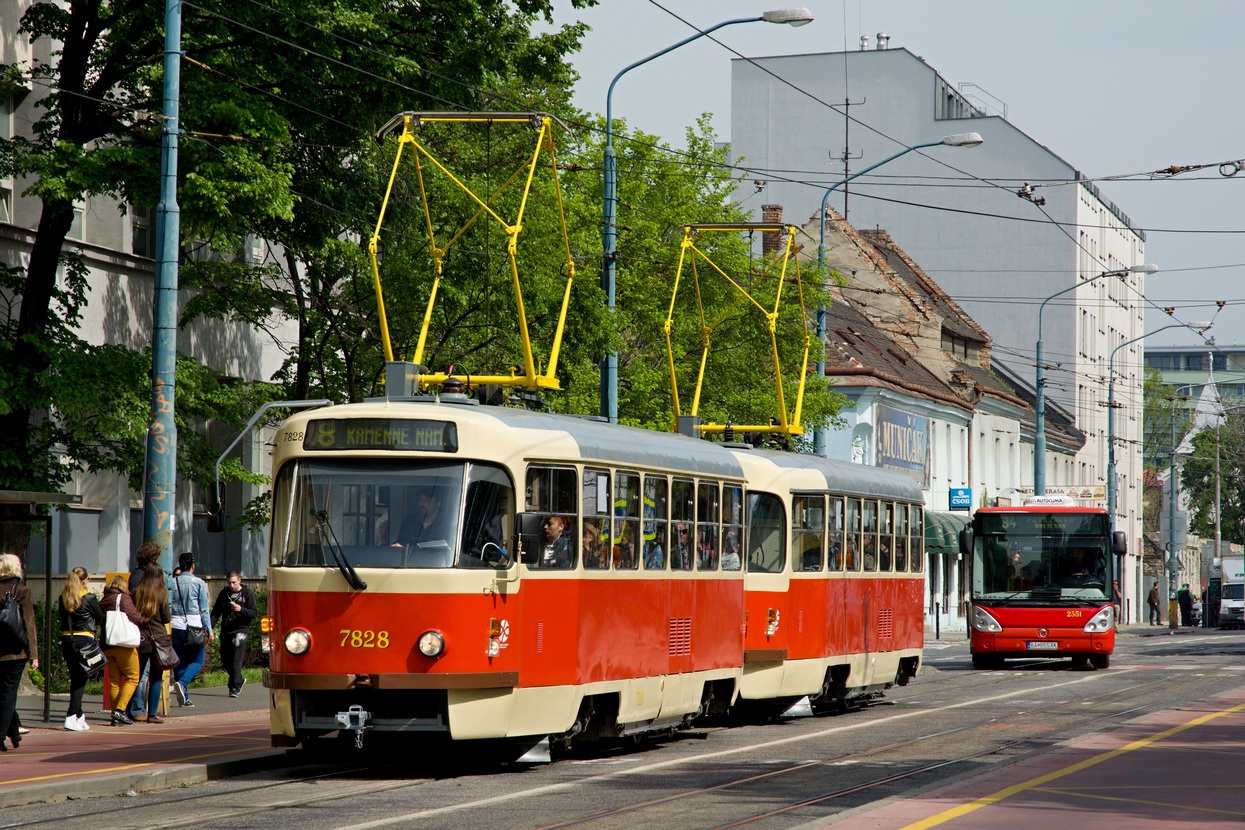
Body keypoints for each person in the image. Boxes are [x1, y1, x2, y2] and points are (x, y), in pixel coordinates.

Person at [57, 566, 103, 731]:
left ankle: (79, 715)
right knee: (80, 679)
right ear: (84, 581)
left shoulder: (63, 598)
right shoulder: (89, 598)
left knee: (76, 677)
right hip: (85, 640)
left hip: (68, 640)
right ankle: (71, 716)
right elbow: (100, 617)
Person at [0, 553, 38, 750]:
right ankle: (0, 736)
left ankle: (13, 731)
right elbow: (29, 624)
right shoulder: (21, 591)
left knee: (4, 693)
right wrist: (34, 655)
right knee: (8, 694)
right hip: (16, 652)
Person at [168, 552, 213, 707]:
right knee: (198, 660)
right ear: (193, 565)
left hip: (175, 625)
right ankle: (182, 683)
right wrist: (209, 630)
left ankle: (185, 698)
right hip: (194, 625)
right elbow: (204, 609)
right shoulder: (198, 583)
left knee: (180, 661)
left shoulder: (172, 582)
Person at [133, 563, 171, 723]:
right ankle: (152, 713)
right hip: (159, 638)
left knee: (137, 675)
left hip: (141, 637)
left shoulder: (136, 592)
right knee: (156, 677)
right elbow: (166, 618)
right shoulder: (161, 593)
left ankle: (133, 710)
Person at [101, 574, 141, 726]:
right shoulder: (123, 599)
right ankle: (120, 710)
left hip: (107, 645)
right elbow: (136, 617)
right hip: (124, 644)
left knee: (114, 682)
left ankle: (114, 715)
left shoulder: (104, 600)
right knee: (132, 677)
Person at [212, 571, 258, 697]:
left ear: (239, 580)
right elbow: (216, 612)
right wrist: (210, 627)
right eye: (229, 583)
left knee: (236, 659)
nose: (232, 585)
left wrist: (241, 609)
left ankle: (234, 687)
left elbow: (254, 612)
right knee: (225, 659)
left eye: (234, 582)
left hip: (241, 630)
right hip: (227, 629)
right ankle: (239, 679)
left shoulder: (247, 594)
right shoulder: (224, 594)